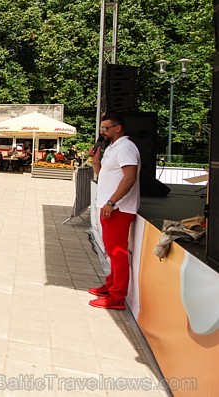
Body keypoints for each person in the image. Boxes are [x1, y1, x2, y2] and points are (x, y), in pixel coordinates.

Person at [88, 113, 140, 310]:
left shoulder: (126, 147)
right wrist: (95, 160)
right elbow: (103, 175)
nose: (102, 132)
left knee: (117, 252)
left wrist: (112, 202)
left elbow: (129, 178)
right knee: (111, 251)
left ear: (118, 128)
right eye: (101, 129)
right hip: (109, 207)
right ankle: (111, 285)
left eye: (106, 128)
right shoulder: (113, 148)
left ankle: (117, 297)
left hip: (118, 208)